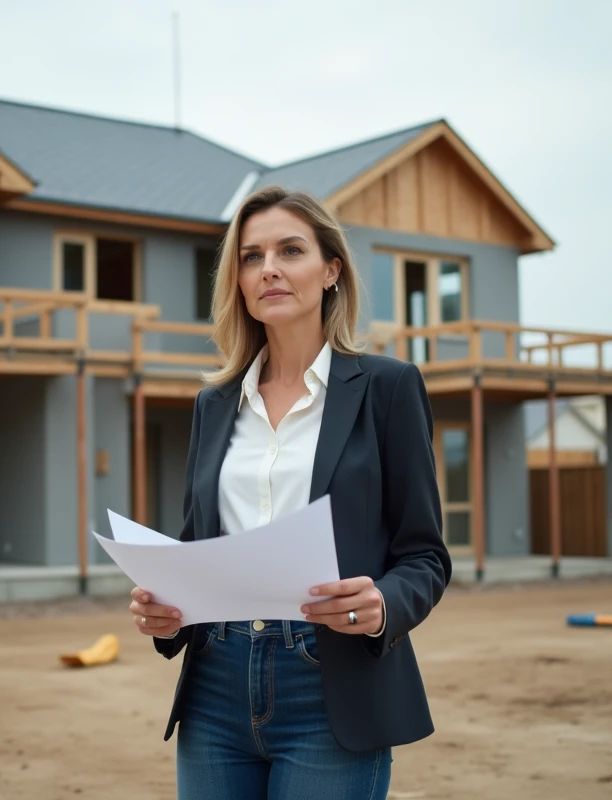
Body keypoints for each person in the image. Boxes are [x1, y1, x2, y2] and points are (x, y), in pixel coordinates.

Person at [128, 186, 452, 800]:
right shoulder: (214, 405)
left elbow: (426, 556)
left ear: (331, 270)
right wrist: (164, 614)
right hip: (214, 685)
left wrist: (383, 602)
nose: (268, 268)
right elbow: (197, 548)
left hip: (332, 683)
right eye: (251, 257)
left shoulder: (389, 389)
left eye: (290, 250)